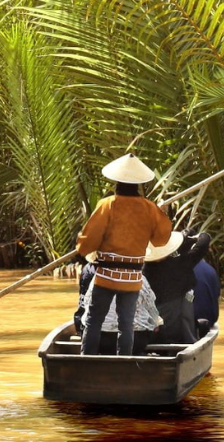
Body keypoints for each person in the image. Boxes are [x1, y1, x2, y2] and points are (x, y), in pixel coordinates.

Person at [74, 152, 172, 356]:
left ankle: (86, 360)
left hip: (106, 277)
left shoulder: (108, 205)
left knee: (93, 321)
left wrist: (80, 251)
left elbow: (89, 238)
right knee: (126, 324)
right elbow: (161, 239)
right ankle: (124, 362)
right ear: (137, 184)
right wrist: (161, 213)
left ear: (117, 182)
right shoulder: (149, 209)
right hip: (132, 278)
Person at [73, 263, 162, 354]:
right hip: (136, 339)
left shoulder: (98, 278)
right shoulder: (140, 278)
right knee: (155, 327)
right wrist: (155, 324)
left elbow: (86, 305)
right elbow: (151, 308)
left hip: (101, 339)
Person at [143, 229, 211, 344]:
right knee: (186, 303)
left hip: (154, 324)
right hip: (176, 320)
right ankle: (189, 341)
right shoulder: (178, 264)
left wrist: (187, 238)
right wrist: (201, 236)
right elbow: (201, 246)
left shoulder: (145, 269)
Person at [193, 254, 221, 337]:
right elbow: (217, 296)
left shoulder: (182, 268)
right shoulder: (211, 270)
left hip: (191, 320)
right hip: (210, 319)